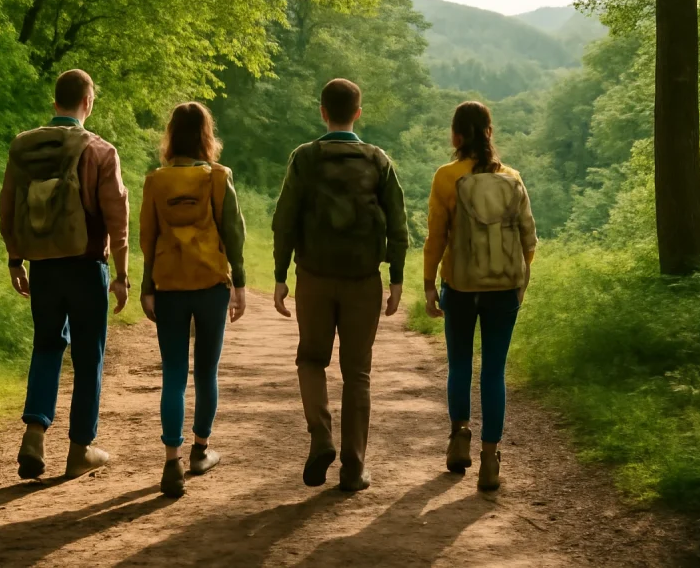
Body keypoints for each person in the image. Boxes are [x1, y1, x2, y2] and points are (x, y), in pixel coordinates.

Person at [272, 78, 409, 493]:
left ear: (322, 112)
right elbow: (399, 226)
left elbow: (285, 221)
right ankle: (354, 467)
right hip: (363, 281)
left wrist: (280, 276)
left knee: (311, 360)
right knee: (357, 373)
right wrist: (397, 278)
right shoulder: (378, 160)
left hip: (313, 278)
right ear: (358, 113)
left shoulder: (304, 158)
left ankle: (321, 436)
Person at [0, 69, 131, 480]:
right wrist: (122, 274)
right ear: (87, 103)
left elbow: (8, 206)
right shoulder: (99, 151)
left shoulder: (26, 148)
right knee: (89, 356)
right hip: (87, 264)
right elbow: (118, 218)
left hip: (43, 268)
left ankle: (34, 435)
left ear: (55, 101)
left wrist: (15, 259)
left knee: (46, 346)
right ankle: (80, 450)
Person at [422, 101, 538, 491]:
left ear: (456, 135)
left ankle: (459, 439)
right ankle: (490, 460)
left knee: (459, 365)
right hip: (503, 289)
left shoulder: (446, 177)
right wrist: (521, 281)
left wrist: (428, 286)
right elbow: (528, 239)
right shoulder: (512, 178)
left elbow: (435, 237)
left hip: (459, 286)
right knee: (493, 371)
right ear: (489, 133)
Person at [139, 102, 247, 499]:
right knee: (206, 371)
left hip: (168, 285)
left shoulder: (156, 180)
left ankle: (172, 462)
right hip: (210, 285)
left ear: (171, 136)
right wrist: (240, 284)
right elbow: (233, 232)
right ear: (206, 136)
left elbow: (147, 238)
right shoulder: (218, 177)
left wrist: (146, 287)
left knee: (172, 374)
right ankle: (200, 451)